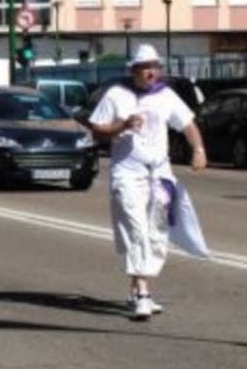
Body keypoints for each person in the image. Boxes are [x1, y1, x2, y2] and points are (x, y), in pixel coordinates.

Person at [89, 44, 208, 320]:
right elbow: (97, 130)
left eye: (155, 67)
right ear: (134, 70)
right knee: (136, 229)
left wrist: (198, 149)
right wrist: (122, 125)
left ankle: (137, 289)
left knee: (156, 231)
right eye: (145, 67)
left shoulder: (165, 95)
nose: (151, 72)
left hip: (160, 173)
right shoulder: (117, 94)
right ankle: (143, 293)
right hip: (127, 173)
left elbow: (188, 124)